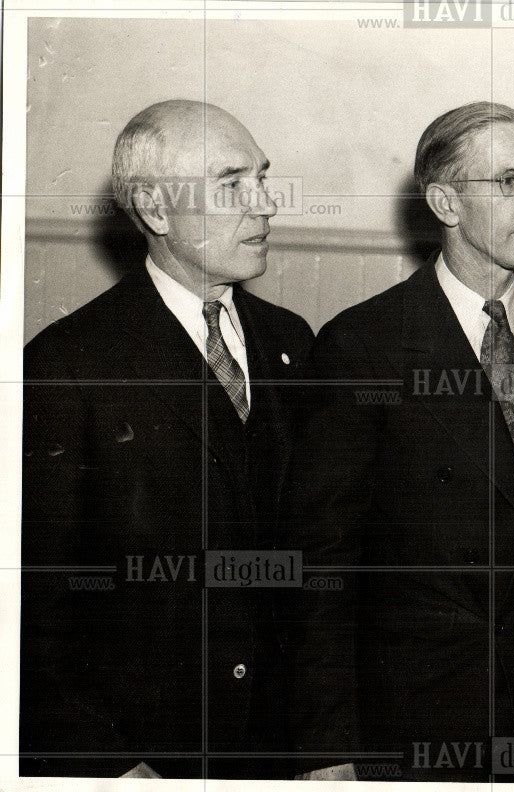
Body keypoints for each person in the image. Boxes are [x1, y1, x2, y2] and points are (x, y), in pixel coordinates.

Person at [283, 102, 514, 782]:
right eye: (509, 182)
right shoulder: (364, 344)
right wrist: (328, 745)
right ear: (444, 201)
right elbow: (322, 564)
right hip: (416, 718)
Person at [20, 100, 314, 779]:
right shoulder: (68, 365)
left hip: (275, 753)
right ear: (154, 208)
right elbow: (36, 603)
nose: (265, 205)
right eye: (232, 184)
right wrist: (108, 765)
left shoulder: (293, 343)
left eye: (263, 179)